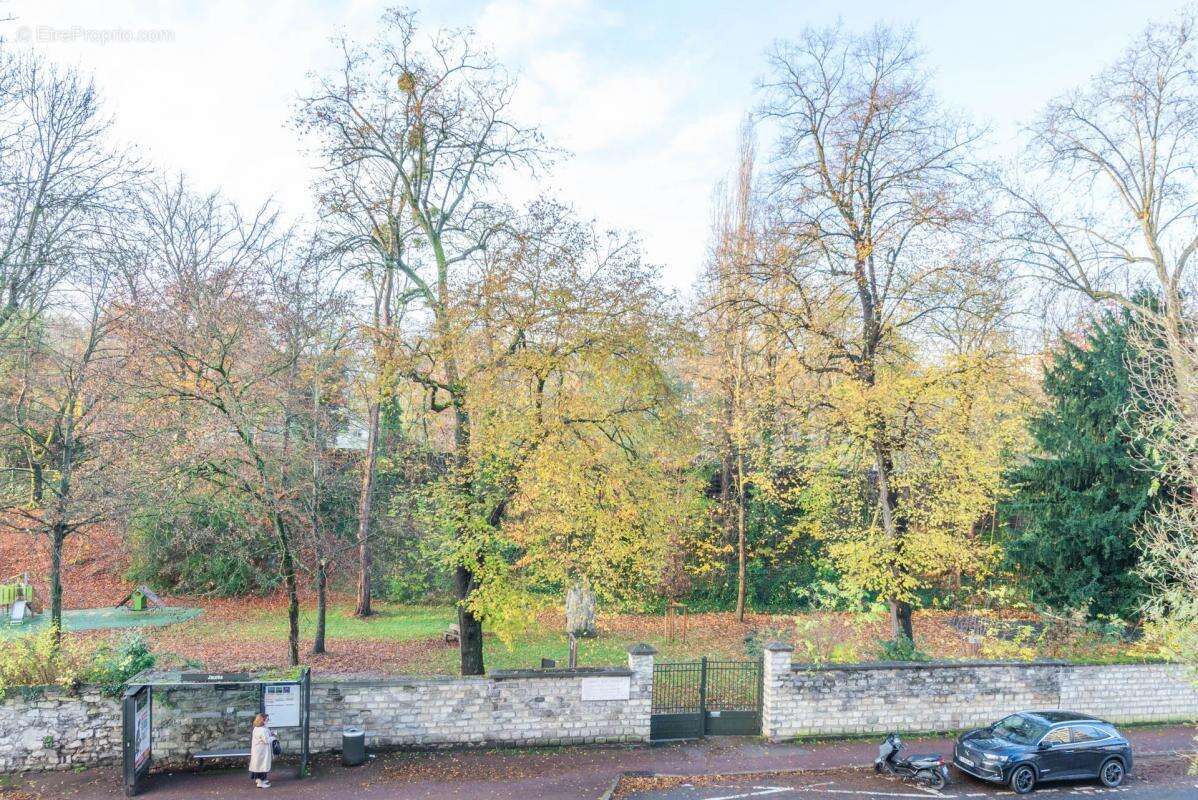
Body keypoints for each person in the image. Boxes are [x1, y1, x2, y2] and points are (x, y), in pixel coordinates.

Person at [249, 713, 276, 788]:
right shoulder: (262, 729)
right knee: (261, 766)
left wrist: (271, 733)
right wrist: (273, 737)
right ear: (262, 720)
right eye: (267, 719)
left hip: (259, 750)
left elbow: (264, 736)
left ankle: (260, 780)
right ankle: (260, 783)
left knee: (259, 765)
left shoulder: (257, 728)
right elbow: (266, 740)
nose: (268, 721)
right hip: (261, 751)